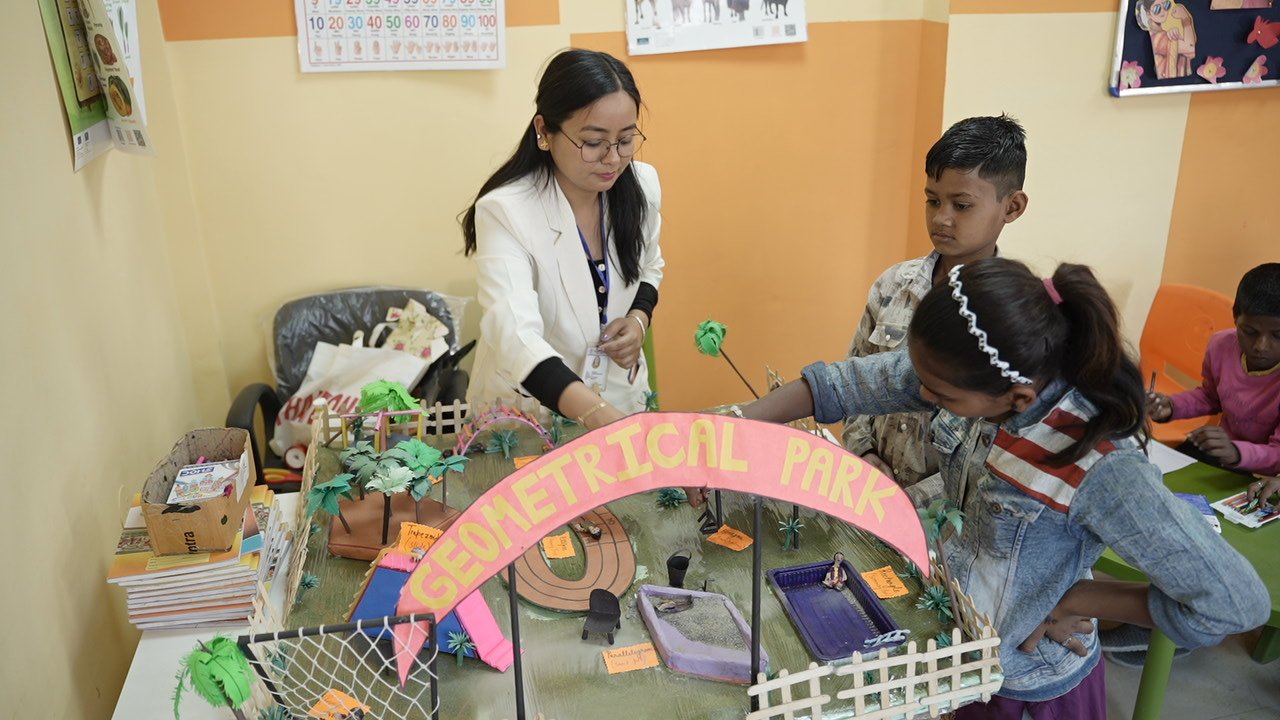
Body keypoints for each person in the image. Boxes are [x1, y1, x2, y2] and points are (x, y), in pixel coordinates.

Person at [740, 258, 1268, 716]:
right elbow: (845, 384)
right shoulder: (974, 370)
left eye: (940, 395)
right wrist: (732, 427)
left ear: (1017, 400)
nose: (921, 394)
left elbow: (1235, 602)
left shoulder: (1102, 467)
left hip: (1030, 683)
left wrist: (1080, 599)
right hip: (961, 654)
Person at [461, 49, 664, 430]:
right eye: (593, 142)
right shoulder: (506, 211)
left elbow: (651, 266)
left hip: (620, 396)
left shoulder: (643, 186)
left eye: (625, 140)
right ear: (544, 131)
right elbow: (516, 337)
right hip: (530, 414)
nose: (613, 159)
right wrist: (603, 418)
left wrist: (638, 319)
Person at [843, 115, 1028, 495]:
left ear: (1011, 207)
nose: (941, 218)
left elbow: (997, 443)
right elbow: (853, 379)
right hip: (870, 492)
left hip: (946, 512)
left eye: (961, 205)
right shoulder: (893, 285)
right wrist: (863, 453)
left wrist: (914, 500)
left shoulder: (1014, 316)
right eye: (932, 201)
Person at [1148, 263, 1280, 475]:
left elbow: (1277, 453)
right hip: (1222, 454)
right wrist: (1172, 406)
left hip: (1265, 477)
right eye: (1250, 331)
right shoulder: (1221, 345)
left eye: (1278, 336)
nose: (1261, 346)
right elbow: (1210, 397)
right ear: (1235, 318)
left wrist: (1235, 452)